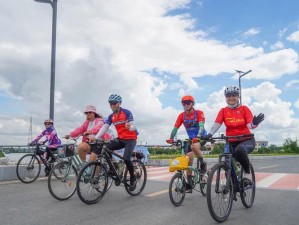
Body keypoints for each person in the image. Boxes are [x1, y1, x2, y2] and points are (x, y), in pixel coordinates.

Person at [204, 86, 265, 174]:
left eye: (234, 95)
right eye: (228, 96)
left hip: (246, 140)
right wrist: (209, 134)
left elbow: (250, 125)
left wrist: (255, 123)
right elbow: (217, 124)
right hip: (231, 141)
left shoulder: (244, 109)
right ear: (226, 98)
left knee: (239, 151)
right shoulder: (223, 111)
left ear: (238, 97)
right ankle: (232, 185)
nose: (231, 98)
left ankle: (247, 174)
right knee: (228, 163)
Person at [91, 94, 138, 191]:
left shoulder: (126, 112)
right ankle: (114, 169)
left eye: (114, 103)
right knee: (106, 148)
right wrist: (96, 137)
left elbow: (134, 126)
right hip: (120, 139)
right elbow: (104, 128)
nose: (112, 105)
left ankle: (133, 178)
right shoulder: (111, 116)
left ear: (119, 103)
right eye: (110, 103)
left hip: (131, 139)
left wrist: (130, 126)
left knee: (126, 159)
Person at [166, 95, 208, 192]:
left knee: (194, 146)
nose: (186, 105)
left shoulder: (199, 113)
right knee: (188, 160)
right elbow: (175, 128)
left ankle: (203, 163)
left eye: (188, 103)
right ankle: (189, 184)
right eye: (183, 103)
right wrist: (171, 138)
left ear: (192, 104)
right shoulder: (181, 116)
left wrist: (198, 136)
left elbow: (201, 126)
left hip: (201, 137)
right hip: (191, 139)